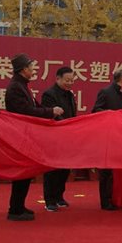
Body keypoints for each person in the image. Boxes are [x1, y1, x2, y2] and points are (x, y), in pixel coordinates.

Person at [5, 54, 64, 221]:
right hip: (20, 135)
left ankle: (19, 206)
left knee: (26, 173)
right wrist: (50, 111)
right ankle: (15, 210)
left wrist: (50, 112)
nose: (33, 70)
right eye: (31, 67)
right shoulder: (16, 87)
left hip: (26, 135)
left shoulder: (22, 85)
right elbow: (26, 111)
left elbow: (34, 107)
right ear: (24, 69)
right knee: (22, 173)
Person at [92, 68, 122, 210]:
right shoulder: (105, 92)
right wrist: (111, 115)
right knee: (106, 171)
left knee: (119, 171)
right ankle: (106, 201)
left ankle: (117, 198)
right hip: (107, 137)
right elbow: (95, 110)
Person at [41, 66, 77, 212]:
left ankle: (59, 196)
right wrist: (66, 126)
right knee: (52, 170)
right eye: (67, 80)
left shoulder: (70, 94)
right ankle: (49, 200)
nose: (70, 83)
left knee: (64, 168)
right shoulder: (49, 94)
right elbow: (51, 115)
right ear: (58, 79)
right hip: (54, 137)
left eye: (72, 80)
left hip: (67, 137)